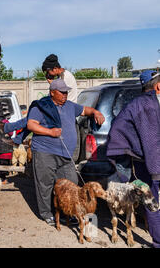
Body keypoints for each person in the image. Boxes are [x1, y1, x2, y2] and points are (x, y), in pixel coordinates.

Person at [27, 79, 105, 225]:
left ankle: (65, 213)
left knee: (71, 183)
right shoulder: (42, 106)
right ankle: (47, 213)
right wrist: (50, 132)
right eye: (62, 92)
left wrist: (95, 112)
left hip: (65, 154)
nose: (65, 94)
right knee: (45, 184)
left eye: (66, 92)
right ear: (52, 92)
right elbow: (31, 125)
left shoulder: (70, 106)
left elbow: (84, 110)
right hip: (45, 152)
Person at [106, 70, 160, 248]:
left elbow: (118, 129)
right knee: (152, 200)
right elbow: (152, 140)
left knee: (152, 201)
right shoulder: (146, 106)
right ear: (158, 87)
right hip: (151, 164)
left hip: (147, 162)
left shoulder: (142, 104)